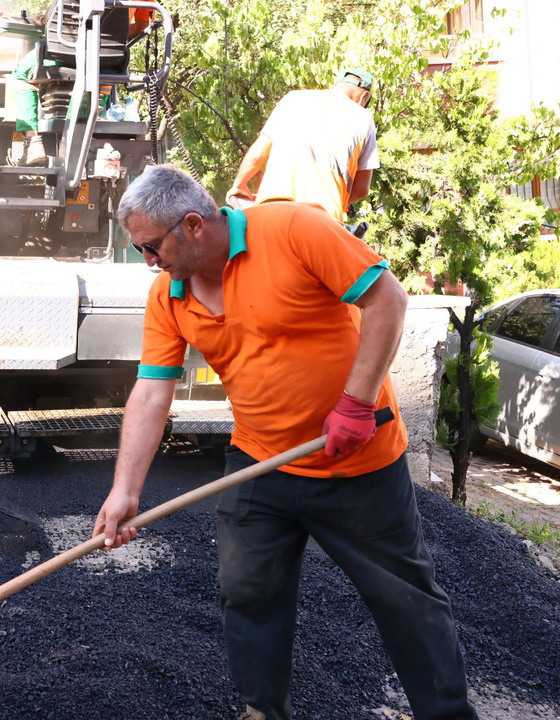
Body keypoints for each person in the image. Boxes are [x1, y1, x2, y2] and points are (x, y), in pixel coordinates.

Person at [92, 166, 477, 720]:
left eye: (151, 247)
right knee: (247, 590)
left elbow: (387, 300)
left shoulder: (294, 230)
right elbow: (153, 392)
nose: (149, 262)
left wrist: (356, 401)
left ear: (193, 225)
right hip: (259, 464)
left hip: (357, 464)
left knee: (406, 603)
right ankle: (262, 709)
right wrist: (125, 490)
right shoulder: (169, 295)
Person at [226, 68, 379, 222]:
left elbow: (257, 154)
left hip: (273, 208)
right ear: (364, 96)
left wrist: (239, 185)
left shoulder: (292, 99)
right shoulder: (364, 118)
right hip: (323, 218)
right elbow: (361, 189)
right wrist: (337, 201)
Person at [10, 6, 155, 166]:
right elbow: (142, 26)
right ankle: (91, 123)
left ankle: (33, 142)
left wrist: (43, 19)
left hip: (64, 54)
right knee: (104, 77)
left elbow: (54, 16)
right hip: (107, 59)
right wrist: (111, 37)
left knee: (21, 75)